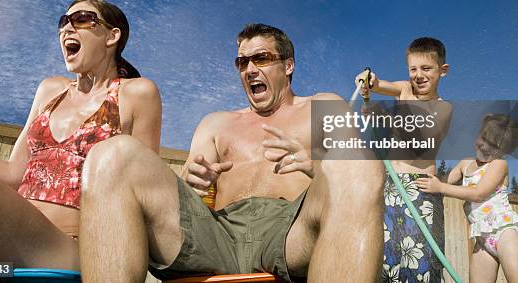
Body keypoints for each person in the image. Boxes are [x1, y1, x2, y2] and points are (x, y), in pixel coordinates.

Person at [79, 23, 384, 283]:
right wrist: (192, 181)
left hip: (291, 232)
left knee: (358, 166)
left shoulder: (324, 105)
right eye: (242, 62)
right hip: (216, 233)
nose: (250, 69)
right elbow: (188, 196)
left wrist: (315, 164)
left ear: (288, 65)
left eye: (261, 58)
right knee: (112, 154)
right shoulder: (216, 123)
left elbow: (355, 174)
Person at [0, 0, 161, 280]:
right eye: (63, 22)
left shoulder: (136, 93)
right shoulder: (50, 90)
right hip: (10, 253)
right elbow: (15, 173)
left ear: (112, 36)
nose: (67, 29)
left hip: (74, 251)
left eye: (82, 19)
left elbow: (146, 191)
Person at [354, 37, 452, 283]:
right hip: (390, 184)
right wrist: (368, 81)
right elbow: (379, 84)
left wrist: (382, 115)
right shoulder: (404, 87)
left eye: (426, 68)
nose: (418, 75)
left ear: (443, 70)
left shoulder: (443, 108)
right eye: (413, 69)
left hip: (420, 189)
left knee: (420, 264)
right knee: (385, 260)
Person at [416, 114, 518, 283]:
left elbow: (478, 193)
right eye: (483, 138)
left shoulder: (498, 165)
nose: (485, 146)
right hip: (482, 240)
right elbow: (443, 182)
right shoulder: (465, 164)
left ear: (505, 151)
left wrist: (440, 187)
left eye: (494, 146)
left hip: (505, 234)